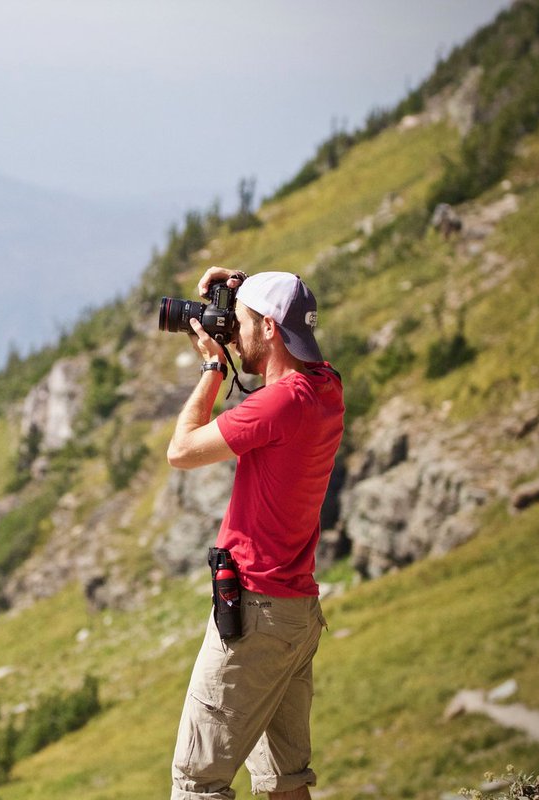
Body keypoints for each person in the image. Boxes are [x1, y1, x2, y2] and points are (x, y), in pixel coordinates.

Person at [166, 267, 345, 799]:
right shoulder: (327, 386)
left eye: (241, 322)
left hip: (256, 620)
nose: (232, 332)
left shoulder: (278, 403)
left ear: (268, 328)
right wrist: (243, 284)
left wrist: (211, 369)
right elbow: (284, 313)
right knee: (285, 782)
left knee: (197, 781)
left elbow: (181, 450)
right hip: (296, 617)